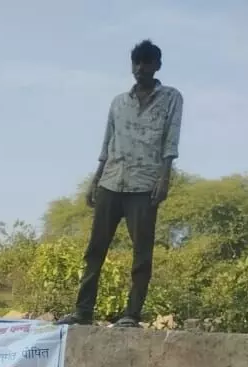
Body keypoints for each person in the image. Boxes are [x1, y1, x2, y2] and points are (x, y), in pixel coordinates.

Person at [61, 39, 183, 328]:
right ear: (132, 65)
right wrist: (95, 180)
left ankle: (131, 314)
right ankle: (83, 312)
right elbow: (107, 143)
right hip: (111, 181)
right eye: (136, 63)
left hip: (145, 184)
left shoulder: (171, 98)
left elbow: (171, 140)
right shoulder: (118, 102)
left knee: (141, 252)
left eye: (146, 63)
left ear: (157, 66)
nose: (141, 68)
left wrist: (164, 177)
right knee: (95, 249)